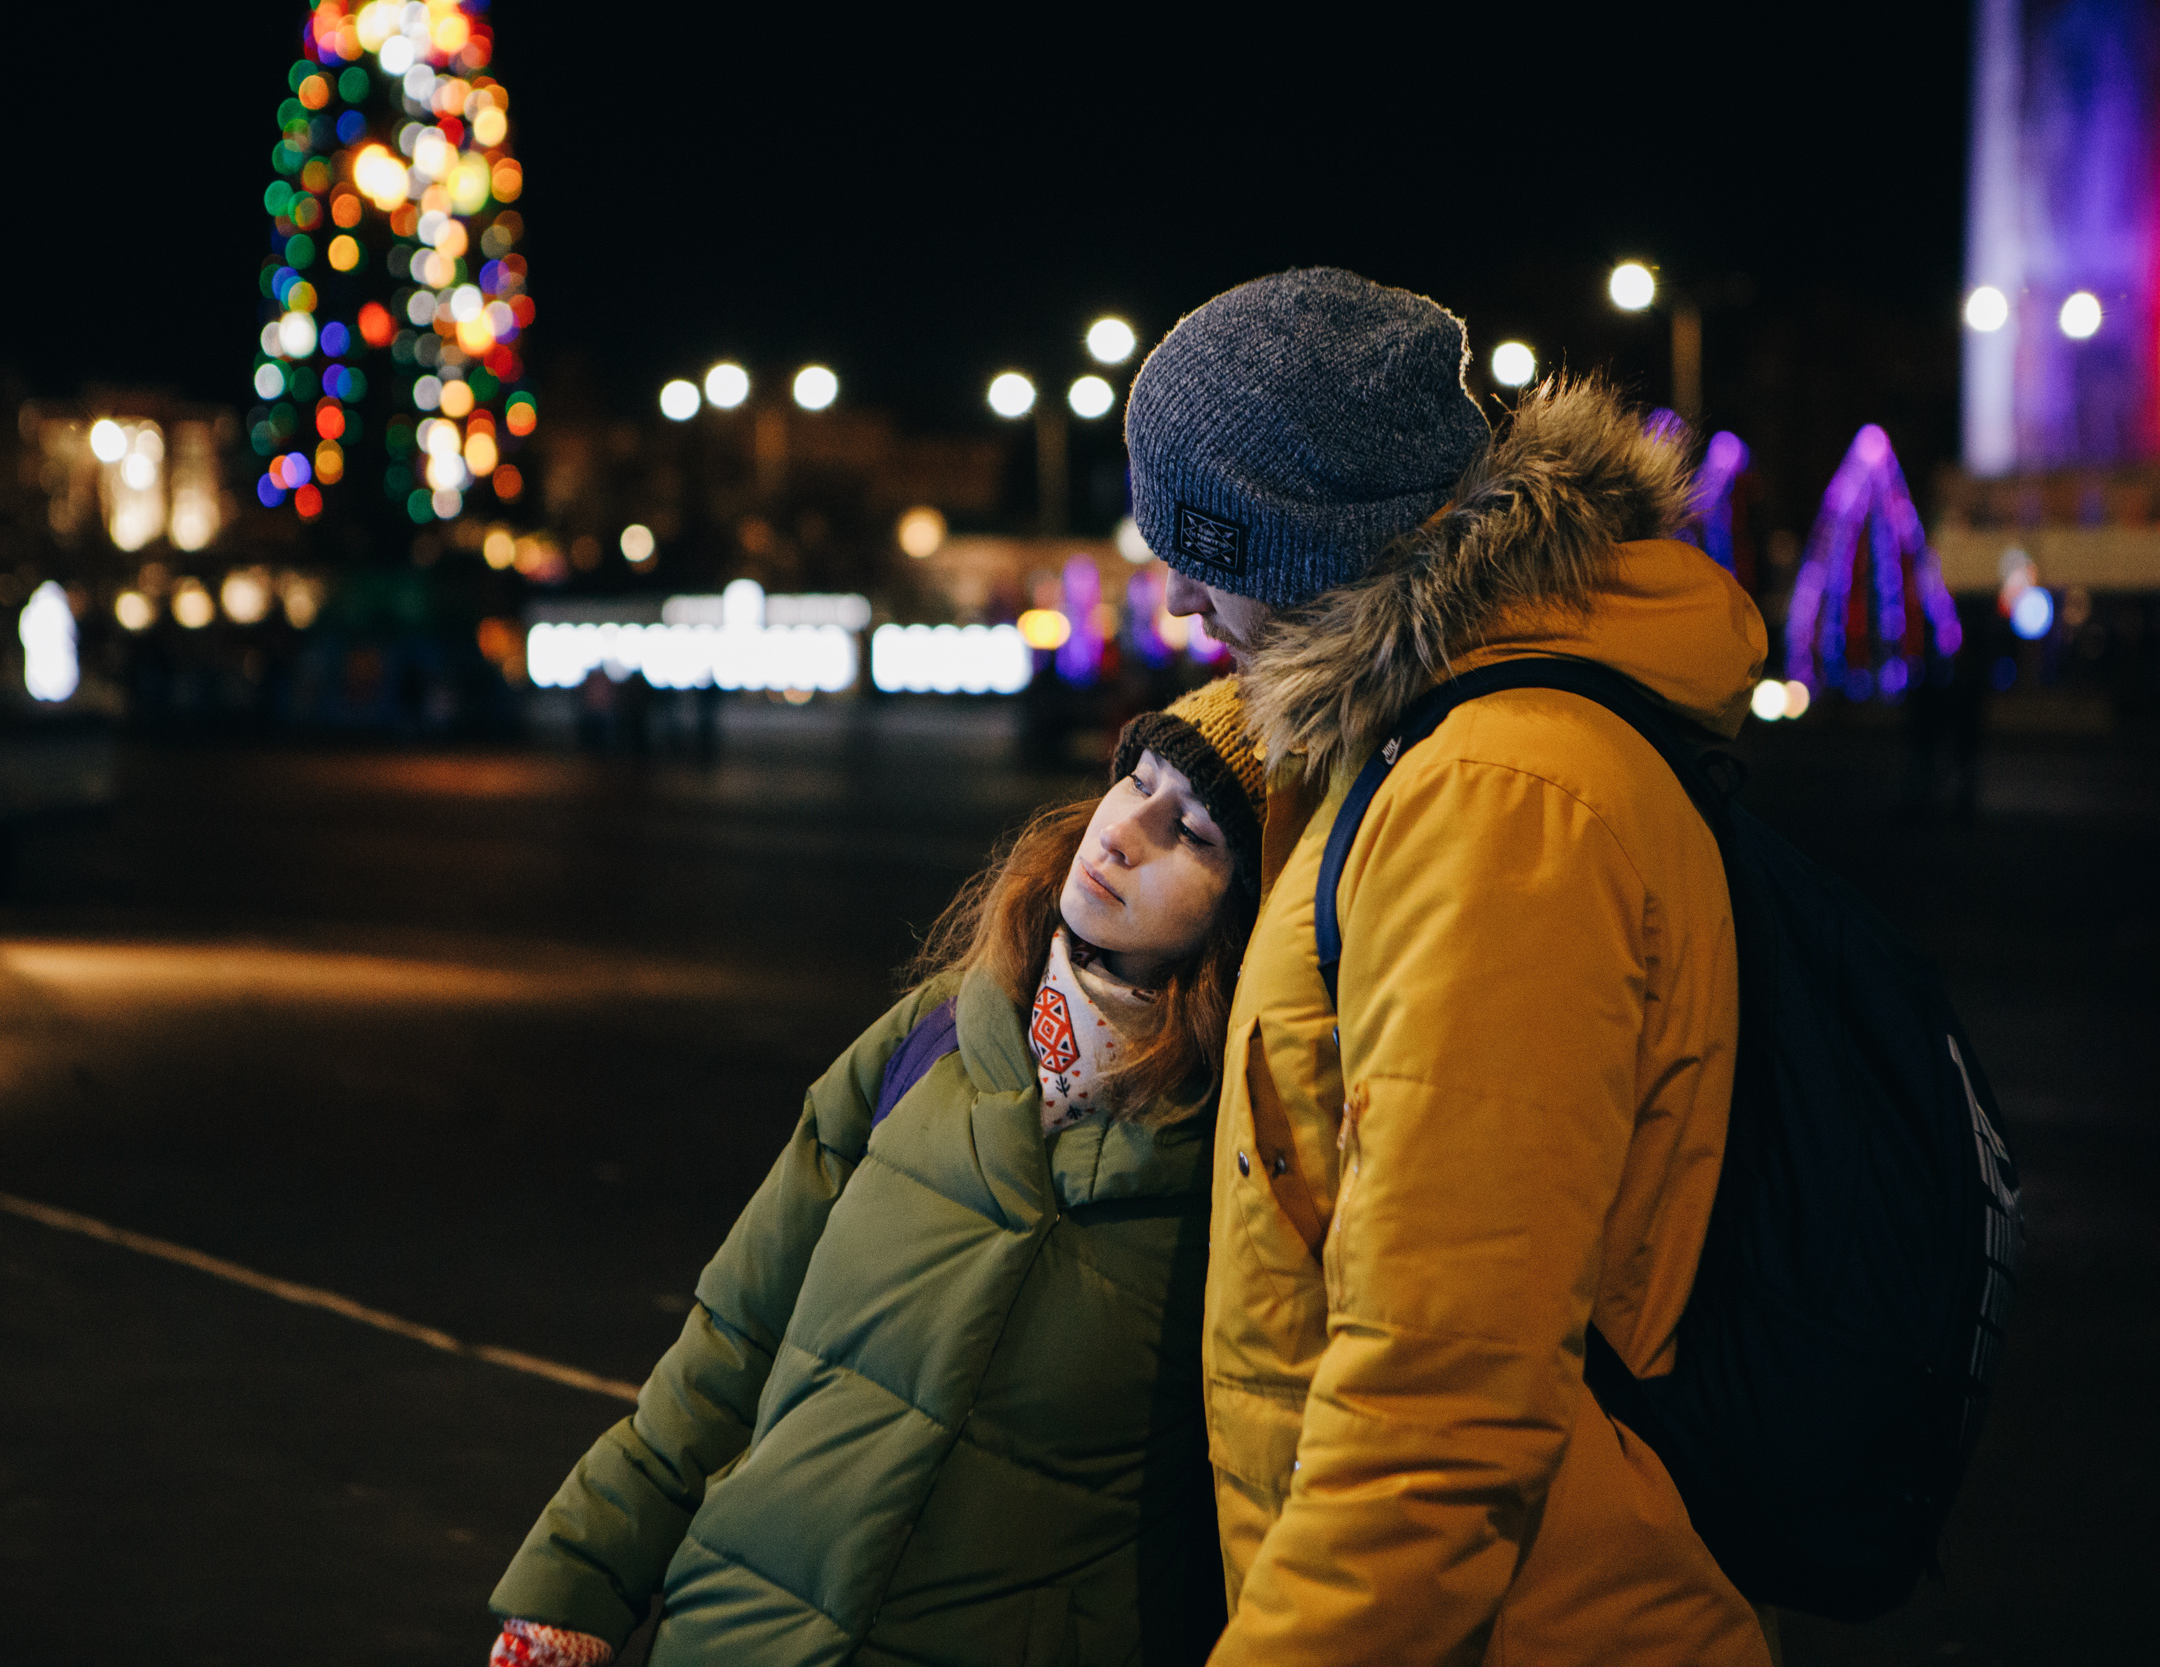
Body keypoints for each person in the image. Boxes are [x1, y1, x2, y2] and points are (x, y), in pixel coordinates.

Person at [1125, 269, 1776, 1664]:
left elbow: (1441, 1398)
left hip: (1531, 1617)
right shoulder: (1448, 739)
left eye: (1199, 541)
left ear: (1313, 541)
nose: (1175, 595)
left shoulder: (1497, 793)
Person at [485, 679, 1268, 1667]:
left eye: (1191, 831)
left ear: (1254, 910)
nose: (1120, 834)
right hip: (739, 1631)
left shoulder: (1241, 1153)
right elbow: (736, 1335)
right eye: (1135, 782)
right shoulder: (934, 1033)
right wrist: (581, 1576)